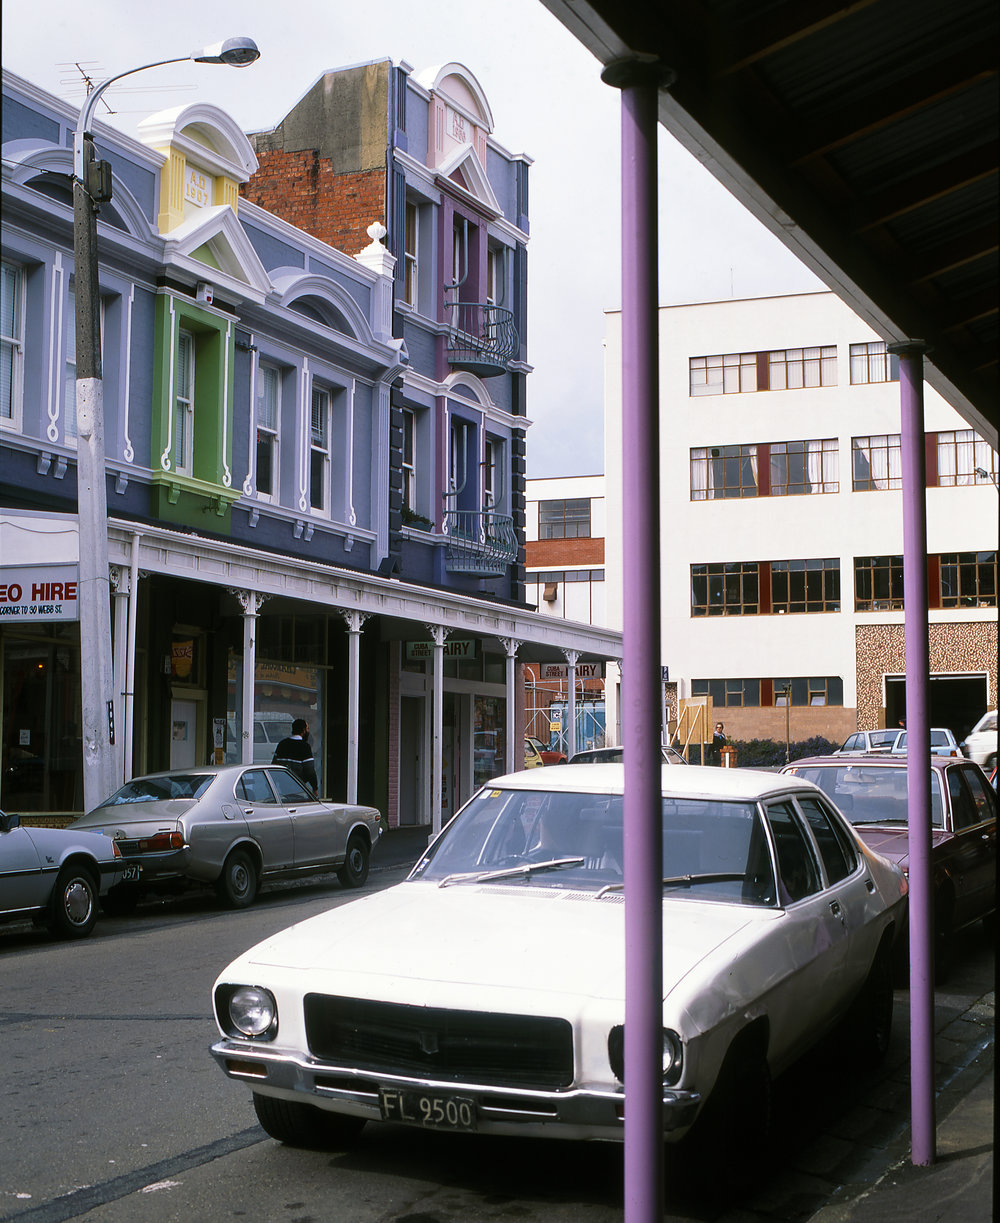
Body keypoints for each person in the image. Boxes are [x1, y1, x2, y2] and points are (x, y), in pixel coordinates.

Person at [271, 719, 318, 795]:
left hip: (282, 788)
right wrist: (315, 788)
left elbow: (274, 766)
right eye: (307, 728)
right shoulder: (305, 746)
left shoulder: (282, 744)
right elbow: (310, 770)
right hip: (298, 787)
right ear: (303, 730)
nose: (308, 731)